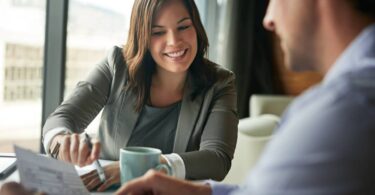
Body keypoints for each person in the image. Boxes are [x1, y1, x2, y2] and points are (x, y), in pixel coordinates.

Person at [114, 0, 375, 194]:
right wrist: (199, 192)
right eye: (158, 32)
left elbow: (217, 159)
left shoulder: (345, 109)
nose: (268, 19)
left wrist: (164, 165)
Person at [42, 0, 238, 192]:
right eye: (158, 32)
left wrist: (137, 167)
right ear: (142, 36)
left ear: (196, 27)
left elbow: (217, 160)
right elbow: (60, 119)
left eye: (184, 26)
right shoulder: (117, 65)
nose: (174, 41)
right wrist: (63, 142)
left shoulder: (219, 83)